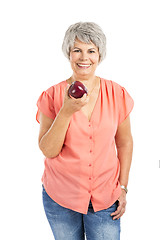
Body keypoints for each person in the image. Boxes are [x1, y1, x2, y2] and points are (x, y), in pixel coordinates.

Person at [36, 22, 134, 240]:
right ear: (68, 54)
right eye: (77, 50)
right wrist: (66, 111)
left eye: (91, 51)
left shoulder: (117, 94)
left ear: (100, 54)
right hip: (60, 197)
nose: (84, 58)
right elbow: (48, 150)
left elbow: (125, 142)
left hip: (105, 196)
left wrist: (124, 187)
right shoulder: (52, 96)